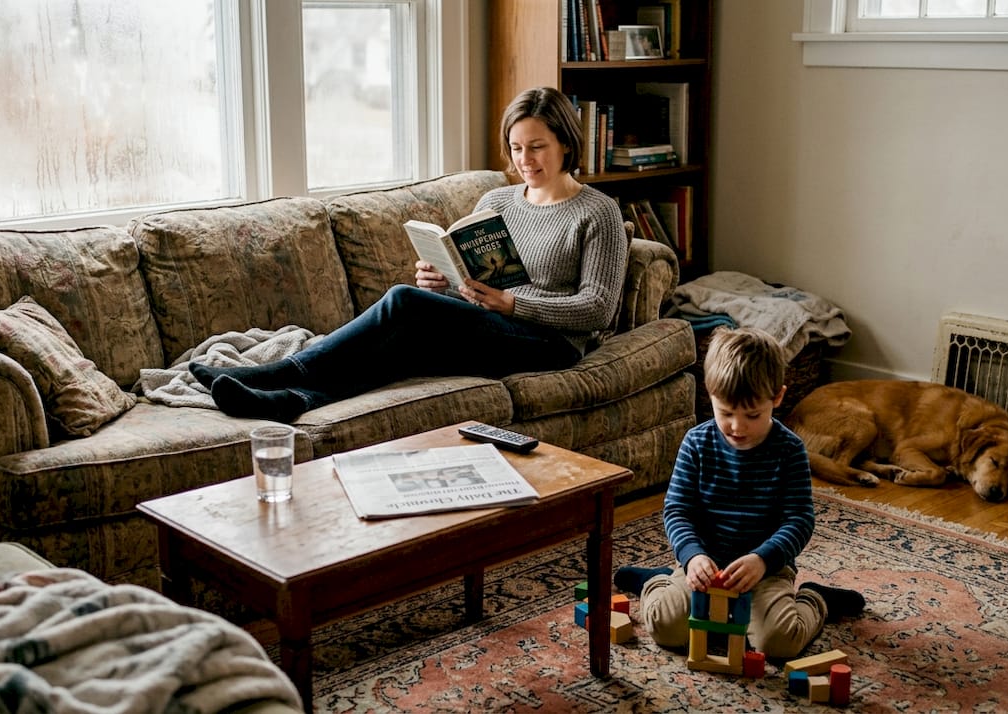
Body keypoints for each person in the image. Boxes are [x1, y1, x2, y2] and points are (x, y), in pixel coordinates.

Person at [188, 86, 628, 422]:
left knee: (402, 301)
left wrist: (513, 304)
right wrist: (445, 284)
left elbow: (598, 308)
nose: (524, 159)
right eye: (516, 148)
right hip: (494, 326)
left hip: (551, 344)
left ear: (565, 143)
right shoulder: (497, 203)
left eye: (537, 146)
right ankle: (293, 400)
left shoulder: (598, 211)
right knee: (403, 346)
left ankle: (282, 371)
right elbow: (476, 288)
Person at [613, 327, 865, 659]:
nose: (737, 426)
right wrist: (692, 556)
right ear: (710, 394)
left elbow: (800, 520)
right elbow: (677, 510)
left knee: (779, 642)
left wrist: (763, 559)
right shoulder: (696, 443)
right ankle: (658, 581)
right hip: (703, 564)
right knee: (665, 627)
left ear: (777, 397)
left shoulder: (790, 450)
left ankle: (815, 598)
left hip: (765, 570)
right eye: (726, 412)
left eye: (752, 415)